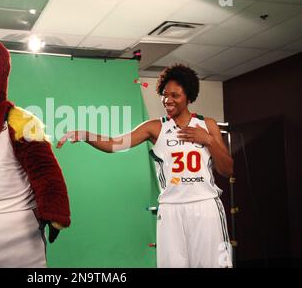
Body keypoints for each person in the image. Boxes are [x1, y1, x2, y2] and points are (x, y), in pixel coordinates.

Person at [57, 64, 233, 268]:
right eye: (165, 95)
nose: (168, 100)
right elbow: (116, 144)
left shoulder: (207, 125)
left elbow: (227, 169)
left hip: (205, 206)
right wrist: (86, 135)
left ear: (189, 96)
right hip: (171, 209)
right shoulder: (155, 127)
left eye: (175, 95)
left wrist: (209, 140)